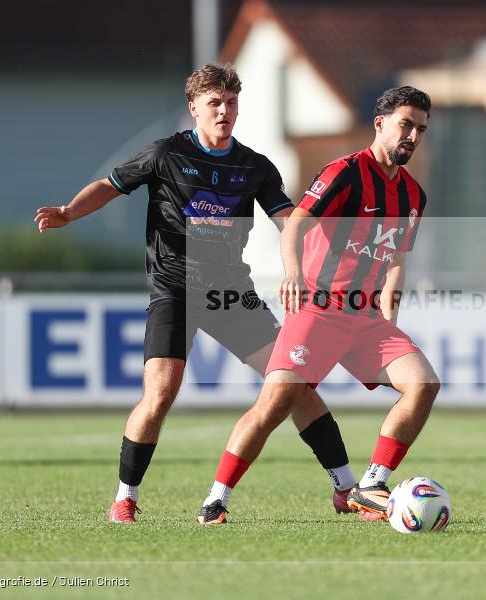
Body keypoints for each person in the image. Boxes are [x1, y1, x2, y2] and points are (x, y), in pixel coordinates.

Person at [34, 64, 356, 523]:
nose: (224, 111)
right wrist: (69, 212)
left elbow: (288, 221)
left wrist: (315, 258)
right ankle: (125, 497)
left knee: (294, 384)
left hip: (230, 293)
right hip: (174, 290)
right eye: (214, 103)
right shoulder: (165, 153)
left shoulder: (255, 167)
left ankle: (346, 487)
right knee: (160, 393)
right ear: (194, 108)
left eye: (231, 103)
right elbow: (111, 186)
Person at [197, 86, 440, 524]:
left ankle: (370, 484)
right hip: (317, 311)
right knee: (274, 404)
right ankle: (216, 499)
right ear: (380, 123)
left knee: (423, 384)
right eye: (406, 125)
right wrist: (291, 272)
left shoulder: (413, 196)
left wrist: (390, 318)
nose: (413, 136)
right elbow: (295, 227)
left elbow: (396, 261)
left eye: (421, 129)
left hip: (365, 320)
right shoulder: (344, 173)